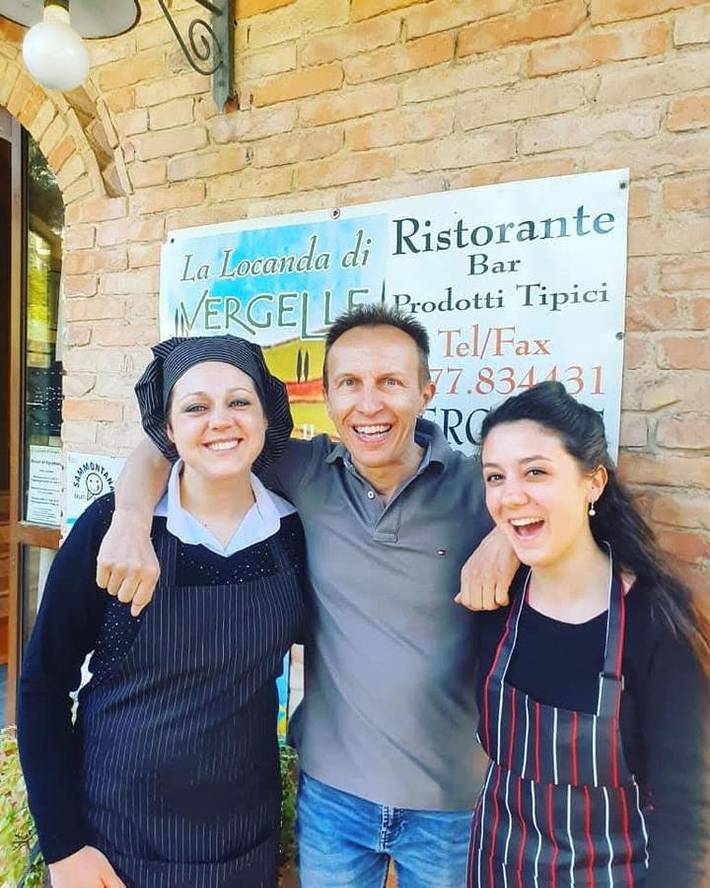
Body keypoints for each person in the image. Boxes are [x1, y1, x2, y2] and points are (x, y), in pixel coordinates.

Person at [95, 305, 519, 888]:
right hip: (331, 799)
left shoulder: (481, 485)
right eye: (349, 384)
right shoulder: (305, 470)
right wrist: (130, 516)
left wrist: (508, 536)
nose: (368, 405)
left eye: (390, 382)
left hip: (450, 802)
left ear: (426, 391)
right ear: (327, 394)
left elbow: (575, 484)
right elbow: (169, 444)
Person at [18, 335, 306, 888]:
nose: (220, 421)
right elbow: (41, 687)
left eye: (239, 402)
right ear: (168, 430)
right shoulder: (115, 528)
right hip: (113, 845)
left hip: (243, 843)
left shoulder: (292, 532)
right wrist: (65, 847)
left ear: (267, 416)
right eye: (195, 406)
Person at [467, 381, 709, 887]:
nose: (511, 495)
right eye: (495, 477)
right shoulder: (496, 604)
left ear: (593, 482)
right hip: (495, 866)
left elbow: (688, 811)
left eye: (536, 471)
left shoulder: (652, 622)